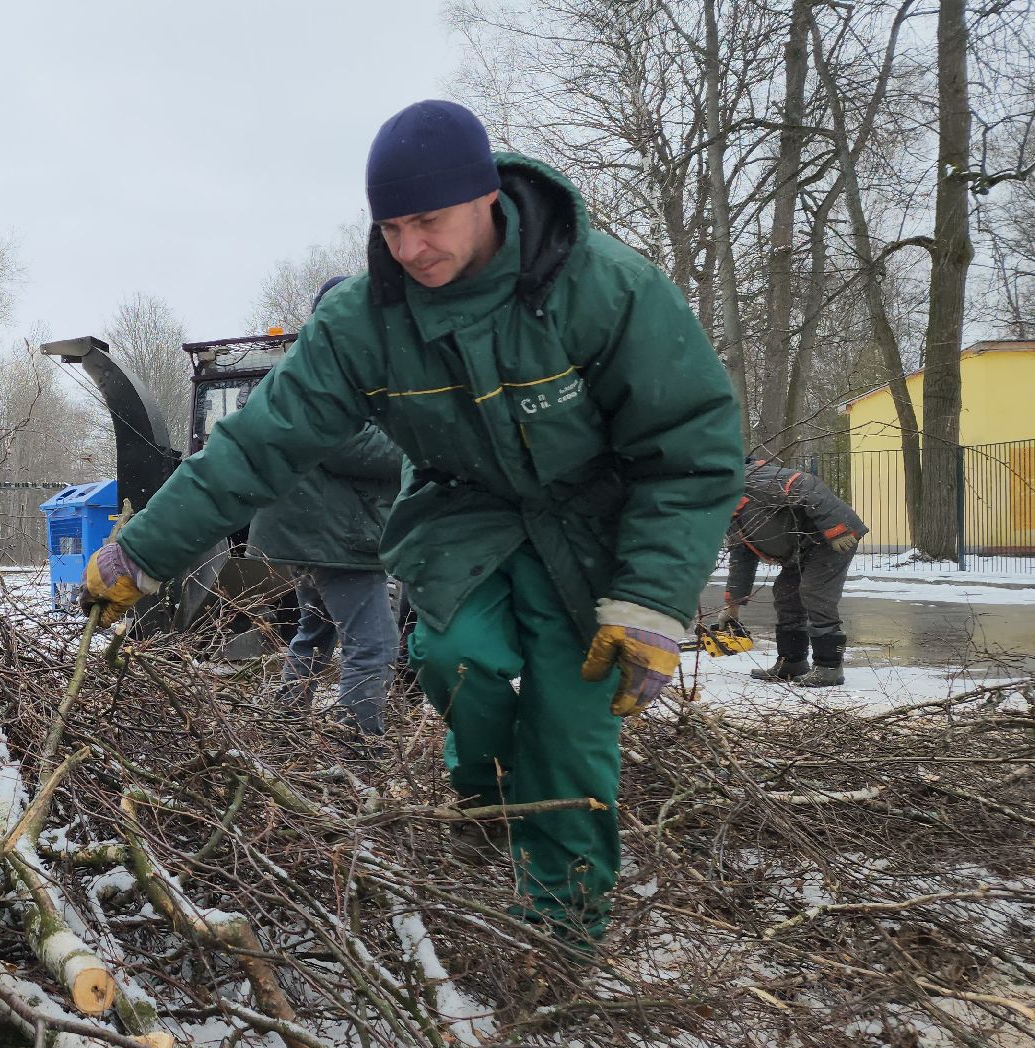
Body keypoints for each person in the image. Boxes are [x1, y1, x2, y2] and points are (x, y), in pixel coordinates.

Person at [82, 99, 742, 953]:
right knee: (451, 660)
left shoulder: (604, 288)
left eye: (427, 222)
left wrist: (654, 598)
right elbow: (258, 446)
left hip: (595, 528)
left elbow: (691, 445)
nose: (409, 249)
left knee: (571, 731)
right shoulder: (363, 322)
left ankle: (562, 932)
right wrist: (143, 551)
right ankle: (485, 793)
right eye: (390, 229)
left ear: (487, 198)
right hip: (463, 512)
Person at [248, 276, 408, 737]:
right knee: (374, 646)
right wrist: (420, 448)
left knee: (314, 635)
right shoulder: (329, 370)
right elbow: (349, 444)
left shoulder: (310, 365)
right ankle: (360, 747)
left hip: (312, 532)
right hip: (335, 536)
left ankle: (283, 729)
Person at [722, 458, 867, 687]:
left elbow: (805, 484)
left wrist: (837, 528)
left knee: (814, 592)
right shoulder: (729, 511)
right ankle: (792, 662)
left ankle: (829, 667)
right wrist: (732, 609)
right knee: (786, 593)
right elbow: (742, 558)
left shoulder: (755, 479)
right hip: (799, 549)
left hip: (831, 539)